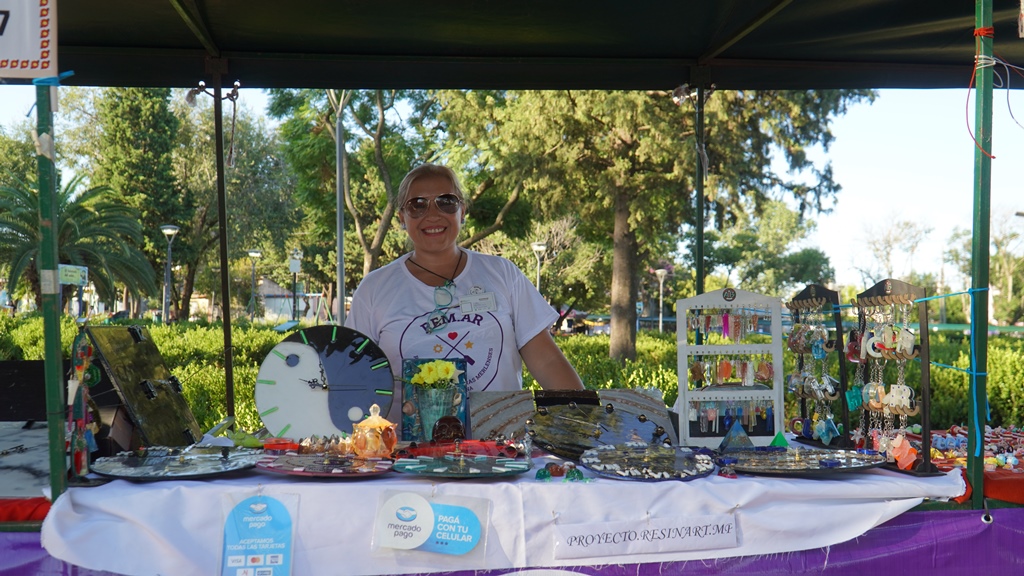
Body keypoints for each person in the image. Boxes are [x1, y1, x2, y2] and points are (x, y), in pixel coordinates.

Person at [345, 163, 584, 423]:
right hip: (407, 458)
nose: (433, 214)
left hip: (502, 452)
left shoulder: (503, 273)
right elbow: (354, 379)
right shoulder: (374, 289)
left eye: (446, 202)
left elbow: (548, 362)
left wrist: (584, 423)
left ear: (462, 211)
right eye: (418, 204)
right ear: (402, 216)